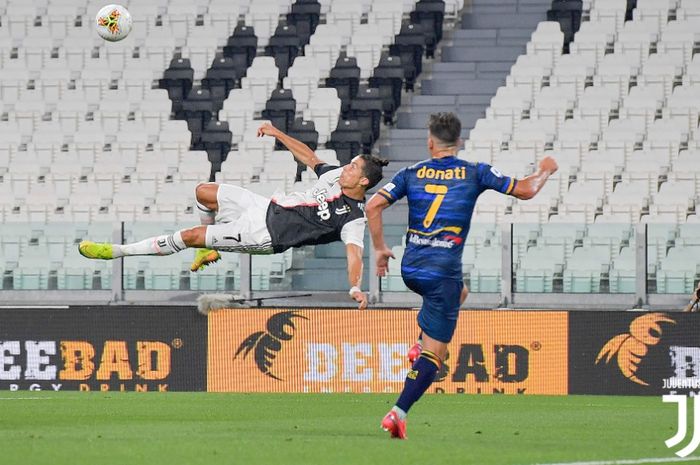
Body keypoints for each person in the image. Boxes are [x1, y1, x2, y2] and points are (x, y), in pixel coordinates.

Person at [365, 112, 558, 439]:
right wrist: (545, 170)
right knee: (434, 357)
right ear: (459, 142)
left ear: (430, 141)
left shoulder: (411, 172)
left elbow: (372, 206)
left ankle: (417, 343)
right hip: (441, 273)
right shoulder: (474, 172)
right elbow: (526, 191)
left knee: (460, 293)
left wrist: (381, 248)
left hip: (410, 268)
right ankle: (398, 413)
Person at [79, 122, 389, 309]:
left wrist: (354, 287)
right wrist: (276, 132)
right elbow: (309, 157)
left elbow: (354, 254)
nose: (345, 168)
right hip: (264, 206)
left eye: (352, 168)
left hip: (266, 235)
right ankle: (206, 249)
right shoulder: (335, 176)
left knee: (188, 236)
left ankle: (117, 252)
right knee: (204, 191)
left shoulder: (353, 217)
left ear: (363, 181)